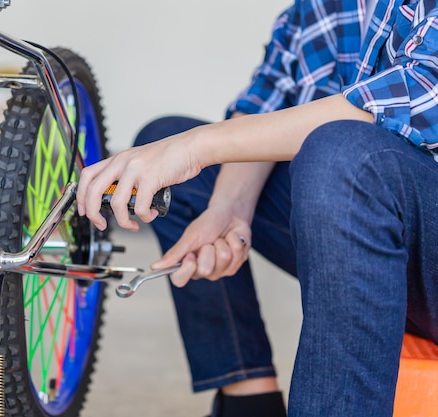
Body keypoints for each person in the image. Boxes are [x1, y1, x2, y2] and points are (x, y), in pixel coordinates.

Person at [78, 0, 438, 416]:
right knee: (171, 150)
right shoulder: (319, 8)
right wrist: (229, 210)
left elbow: (418, 93)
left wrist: (196, 147)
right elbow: (269, 104)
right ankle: (251, 400)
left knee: (343, 156)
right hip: (381, 242)